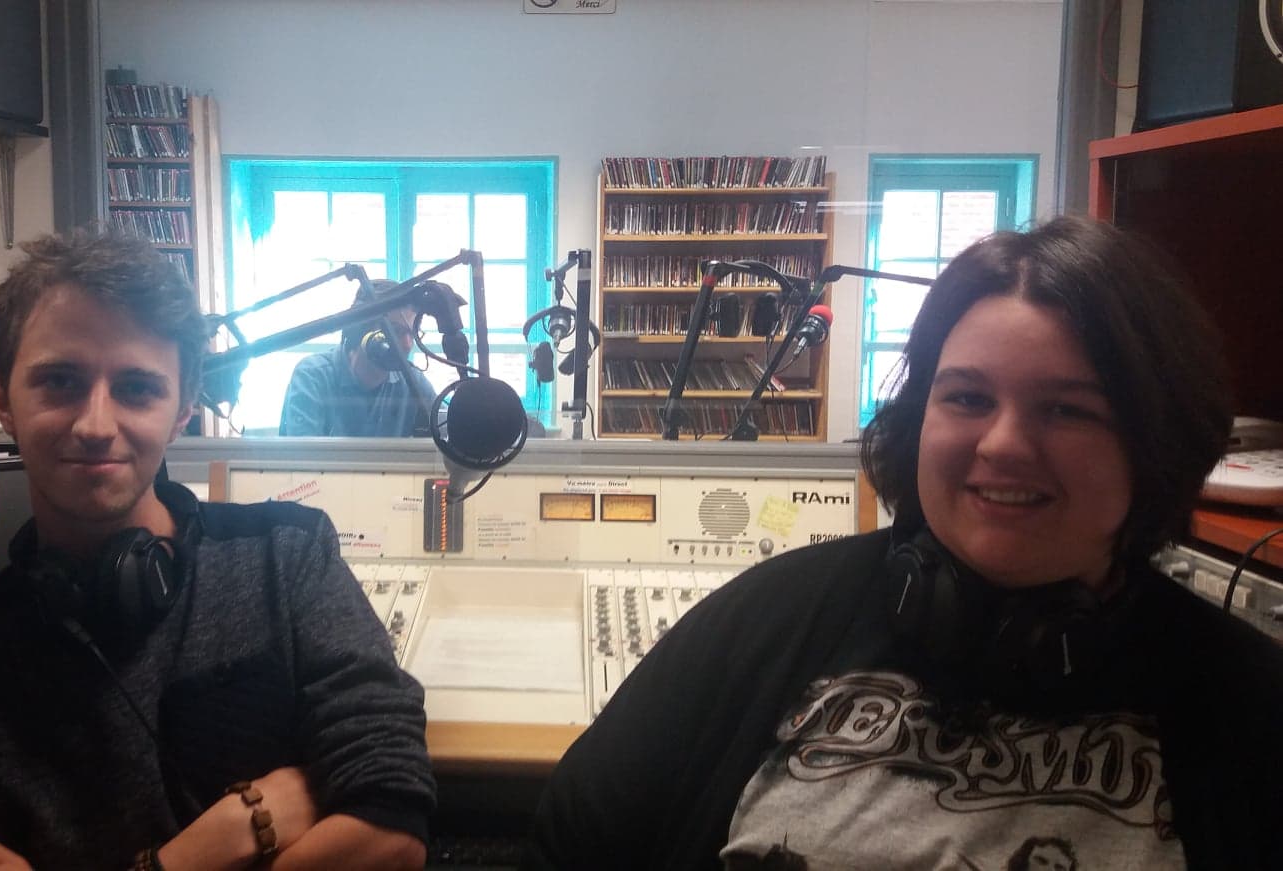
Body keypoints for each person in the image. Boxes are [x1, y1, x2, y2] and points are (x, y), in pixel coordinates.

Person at [528, 215, 1283, 869]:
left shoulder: (1250, 706)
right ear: (920, 417)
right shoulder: (764, 622)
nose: (1003, 444)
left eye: (1066, 409)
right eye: (968, 397)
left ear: (1154, 441)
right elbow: (575, 844)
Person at [0, 231, 435, 870]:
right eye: (60, 382)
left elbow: (392, 832)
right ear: (4, 399)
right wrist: (220, 840)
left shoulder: (289, 558)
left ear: (182, 410)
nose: (96, 425)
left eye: (137, 388)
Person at [278, 280, 438, 437]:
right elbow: (304, 453)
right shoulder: (313, 376)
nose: (408, 344)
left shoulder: (413, 383)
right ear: (362, 331)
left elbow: (445, 438)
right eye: (396, 331)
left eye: (412, 333)